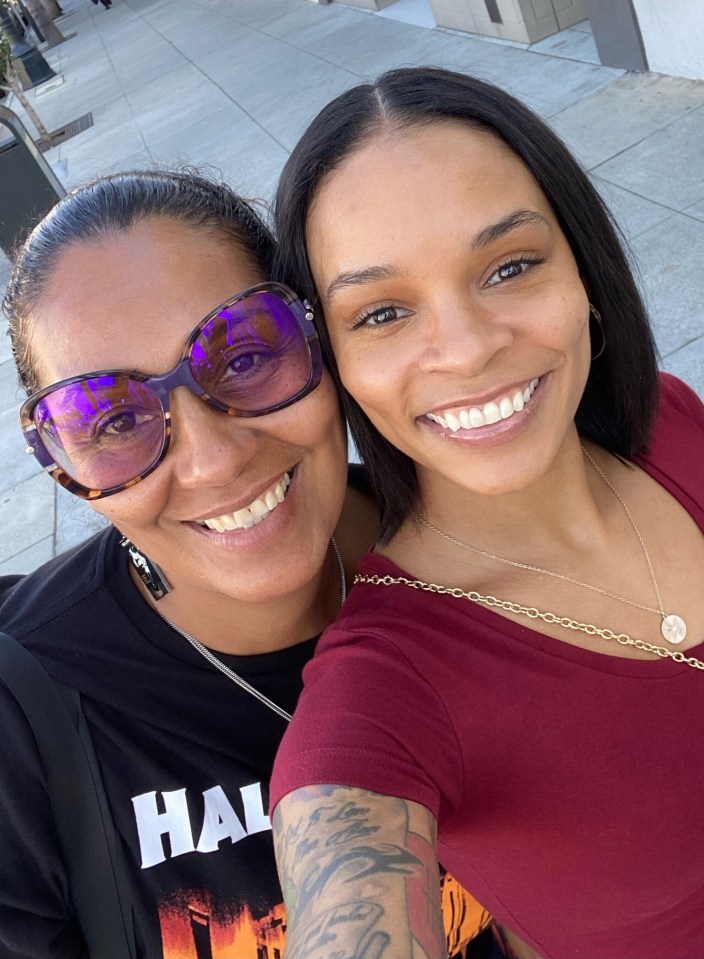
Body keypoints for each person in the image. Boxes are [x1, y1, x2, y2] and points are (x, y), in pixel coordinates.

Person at [268, 67, 704, 959]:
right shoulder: (386, 684)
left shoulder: (671, 423)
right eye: (382, 312)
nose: (469, 346)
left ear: (585, 271)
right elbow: (344, 845)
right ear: (330, 360)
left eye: (512, 265)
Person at [0, 170, 492, 958]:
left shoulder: (485, 546)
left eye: (245, 354)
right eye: (113, 417)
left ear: (318, 343)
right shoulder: (23, 721)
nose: (214, 459)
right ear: (65, 461)